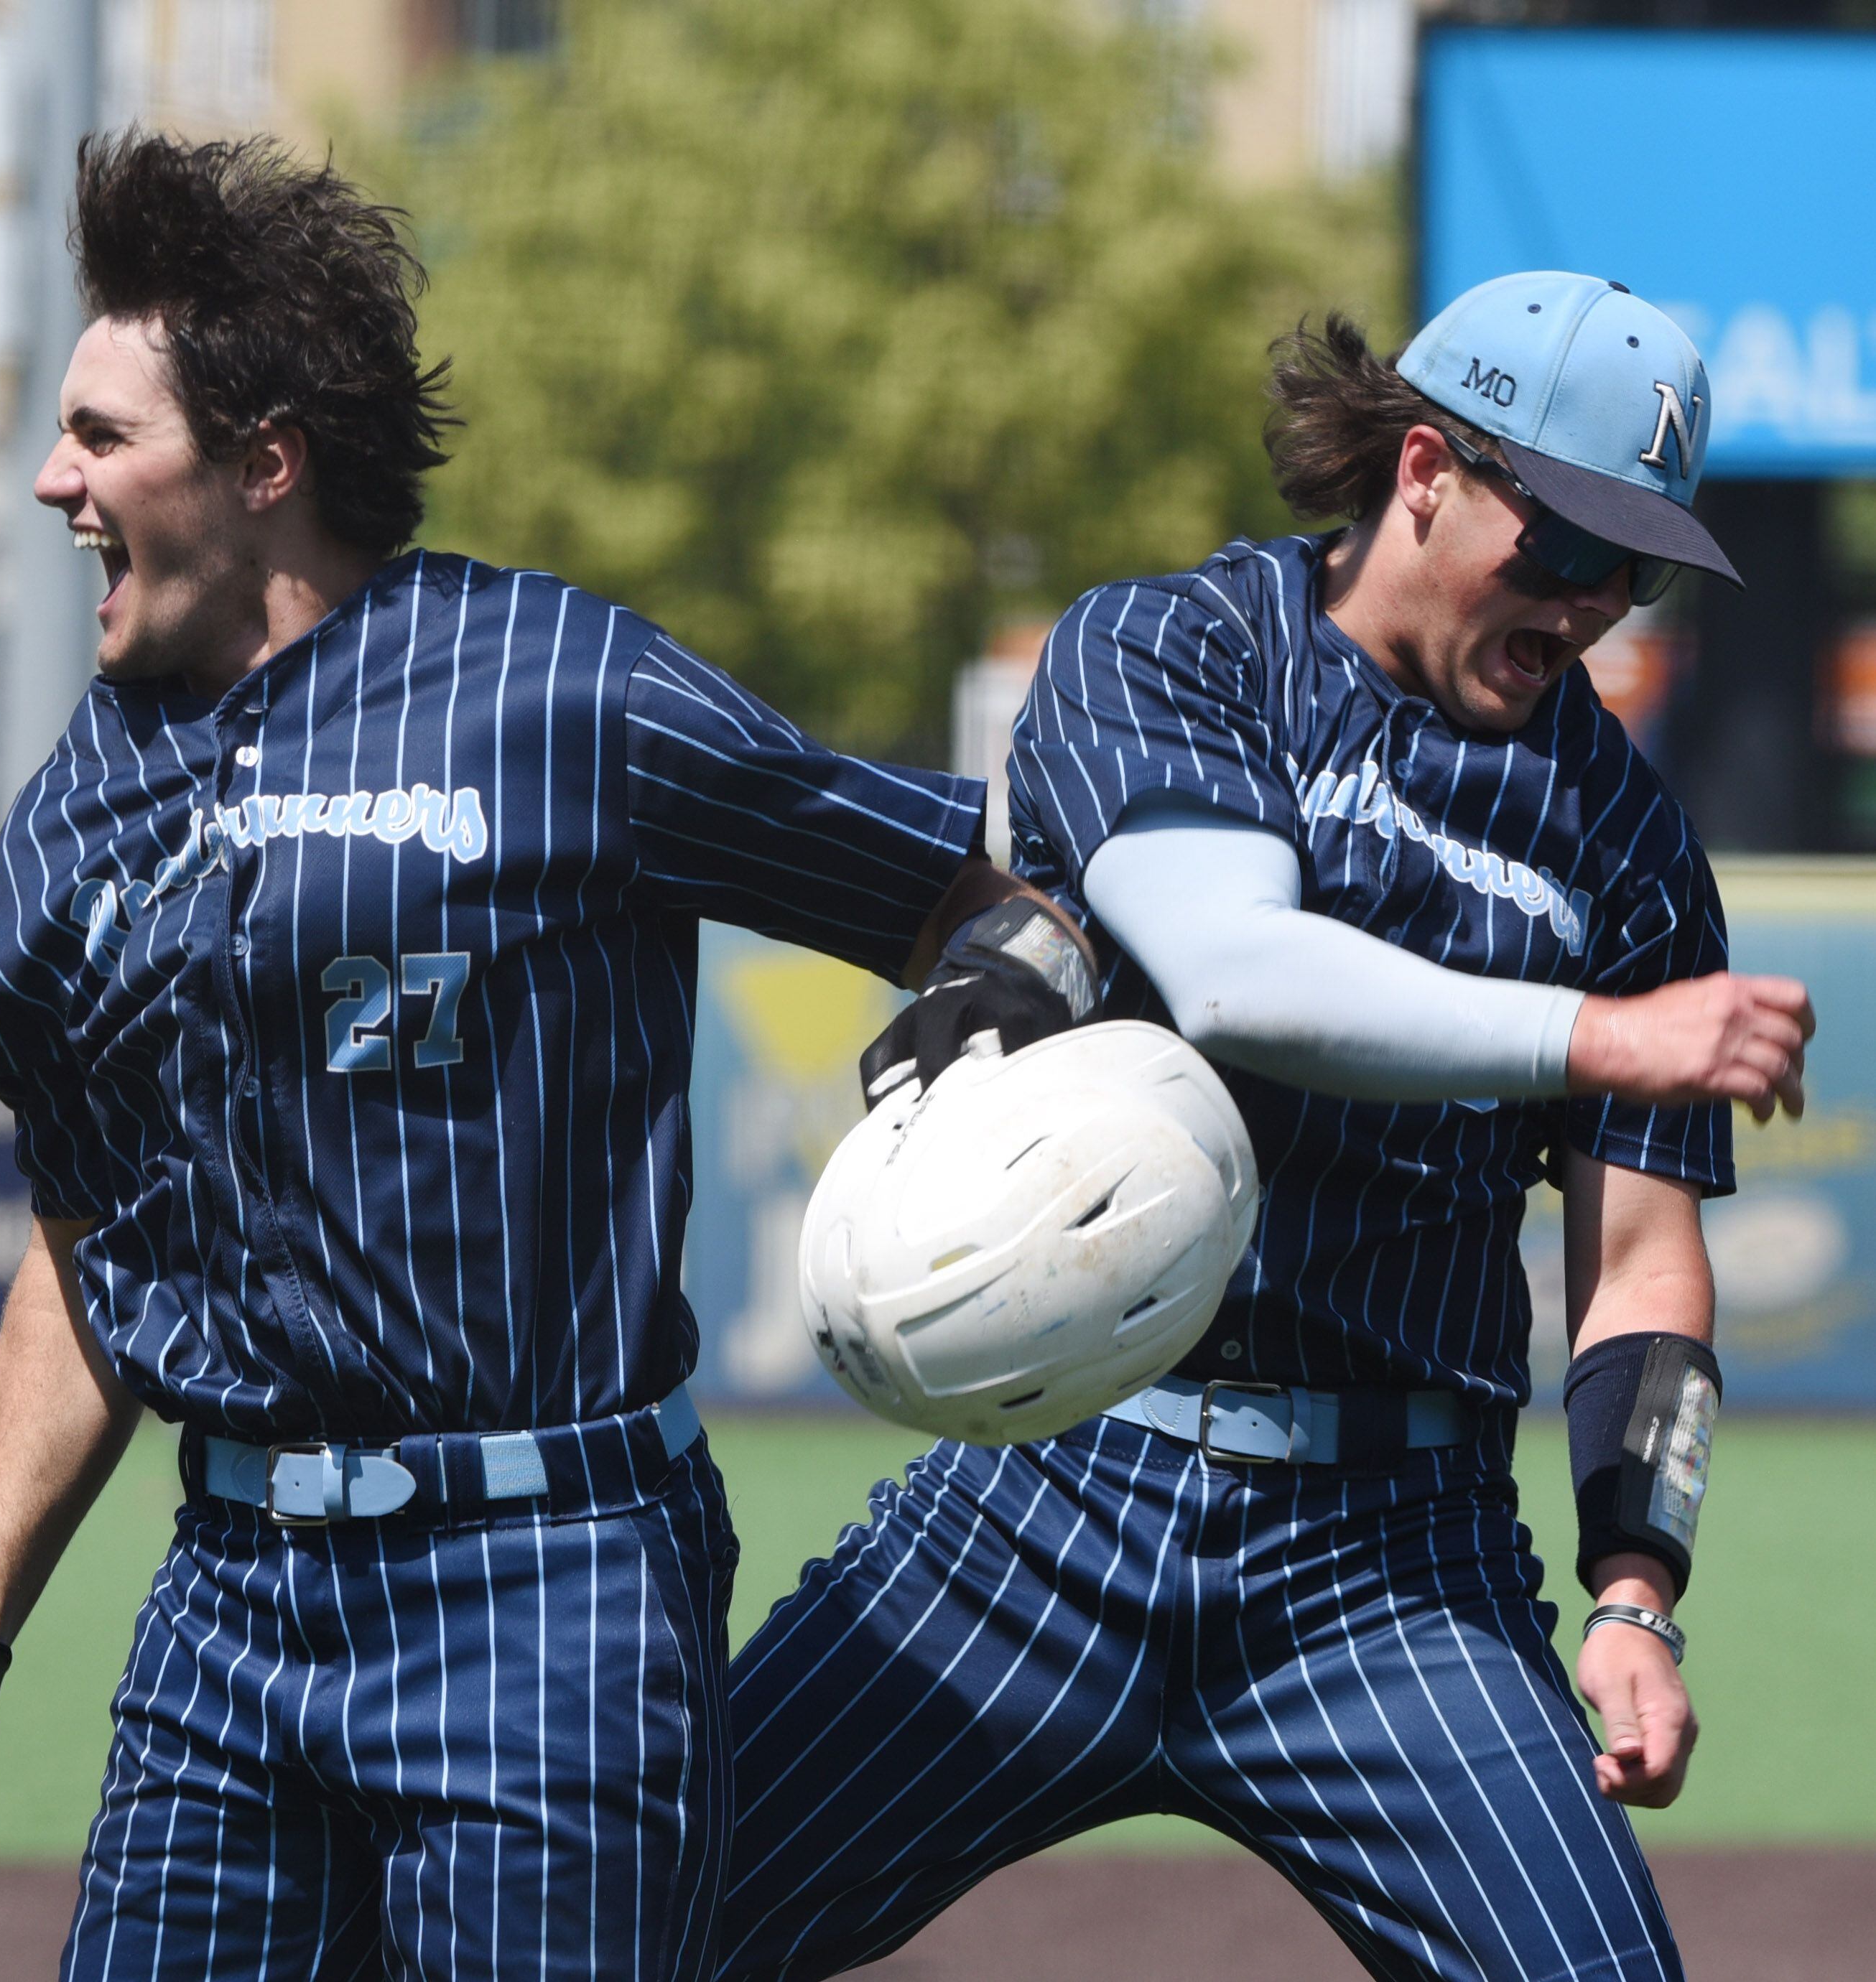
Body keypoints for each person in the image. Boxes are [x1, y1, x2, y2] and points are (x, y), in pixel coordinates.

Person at [0, 133, 1090, 1981]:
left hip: (554, 1595)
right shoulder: (63, 830)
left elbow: (980, 907)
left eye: (102, 435)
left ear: (264, 467)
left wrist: (1016, 998)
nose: (50, 478)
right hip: (231, 1605)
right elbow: (89, 1247)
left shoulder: (565, 693)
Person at [715, 273, 1815, 1982]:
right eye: (1565, 538)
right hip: (1057, 1501)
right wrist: (1600, 1032)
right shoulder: (1176, 649)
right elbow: (1230, 972)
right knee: (649, 1922)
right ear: (1425, 470)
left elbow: (1642, 1260)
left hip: (1397, 1562)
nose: (1595, 597)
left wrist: (1630, 1599)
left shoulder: (1623, 834)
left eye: (1638, 563)